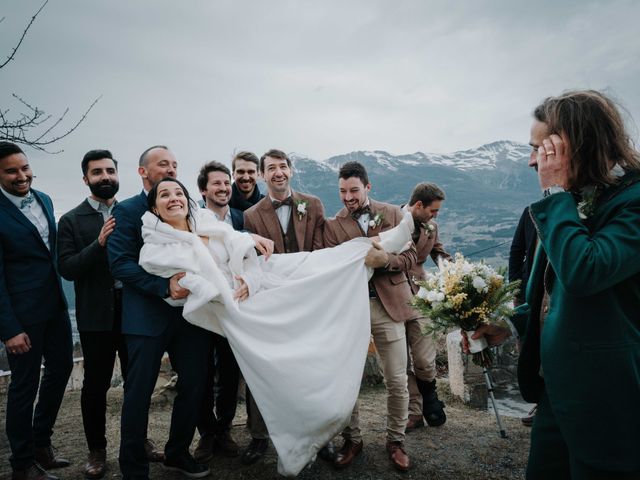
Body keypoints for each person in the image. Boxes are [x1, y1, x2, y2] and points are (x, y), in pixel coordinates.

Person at [138, 177, 414, 477]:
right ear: (154, 208)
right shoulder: (156, 249)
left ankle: (380, 245)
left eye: (179, 192)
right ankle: (299, 435)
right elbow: (188, 288)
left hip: (254, 278)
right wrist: (229, 290)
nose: (174, 198)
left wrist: (247, 277)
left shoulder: (204, 222)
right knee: (282, 362)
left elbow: (240, 244)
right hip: (235, 307)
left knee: (311, 263)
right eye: (165, 195)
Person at [468, 90, 640, 479]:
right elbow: (551, 293)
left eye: (541, 149)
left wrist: (555, 192)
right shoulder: (571, 201)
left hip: (606, 398)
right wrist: (510, 325)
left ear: (577, 146)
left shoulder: (632, 202)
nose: (533, 161)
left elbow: (584, 272)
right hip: (556, 394)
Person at [107, 145, 212, 480]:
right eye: (162, 164)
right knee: (139, 393)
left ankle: (177, 452)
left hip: (190, 316)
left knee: (195, 385)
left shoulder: (189, 207)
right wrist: (164, 286)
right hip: (145, 317)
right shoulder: (126, 210)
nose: (171, 169)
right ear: (143, 171)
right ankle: (134, 469)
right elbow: (120, 263)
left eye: (175, 165)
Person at [324, 161, 418, 472]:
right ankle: (353, 439)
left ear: (368, 187)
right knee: (348, 379)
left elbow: (411, 256)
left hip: (389, 305)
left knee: (396, 378)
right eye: (342, 191)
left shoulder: (393, 213)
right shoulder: (332, 225)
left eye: (353, 190)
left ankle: (395, 440)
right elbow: (328, 265)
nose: (348, 197)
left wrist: (386, 259)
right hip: (351, 310)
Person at [241, 148, 326, 464]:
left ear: (291, 171)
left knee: (310, 370)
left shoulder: (312, 204)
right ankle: (259, 435)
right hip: (273, 306)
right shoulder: (251, 215)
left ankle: (318, 435)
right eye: (271, 168)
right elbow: (257, 265)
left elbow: (320, 253)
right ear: (262, 175)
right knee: (262, 370)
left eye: (282, 167)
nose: (278, 173)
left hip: (310, 299)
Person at [0, 141, 73, 480]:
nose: (21, 175)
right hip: (22, 316)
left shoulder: (43, 199)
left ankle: (42, 442)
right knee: (24, 386)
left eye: (24, 167)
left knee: (59, 371)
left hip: (54, 306)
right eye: (11, 171)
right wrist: (9, 328)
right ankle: (22, 464)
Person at [57, 149, 127, 479]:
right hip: (96, 316)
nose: (105, 177)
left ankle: (138, 441)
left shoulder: (132, 212)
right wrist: (98, 243)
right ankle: (97, 451)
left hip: (134, 314)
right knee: (95, 387)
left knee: (137, 382)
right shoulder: (70, 220)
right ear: (86, 179)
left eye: (110, 171)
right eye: (97, 172)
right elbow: (67, 268)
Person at [192, 161, 244, 461]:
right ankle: (206, 434)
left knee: (229, 371)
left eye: (227, 183)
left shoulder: (240, 217)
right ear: (203, 190)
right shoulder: (194, 220)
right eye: (217, 184)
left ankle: (224, 429)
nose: (224, 188)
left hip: (233, 308)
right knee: (200, 372)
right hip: (202, 307)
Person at [402, 182, 451, 432]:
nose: (435, 216)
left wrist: (456, 272)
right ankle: (414, 412)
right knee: (401, 362)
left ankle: (430, 398)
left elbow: (439, 253)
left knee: (423, 358)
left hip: (421, 297)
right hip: (393, 297)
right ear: (419, 205)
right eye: (433, 211)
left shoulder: (432, 227)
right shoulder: (391, 219)